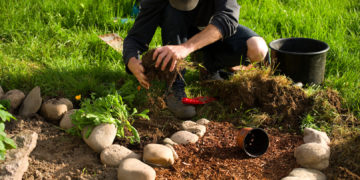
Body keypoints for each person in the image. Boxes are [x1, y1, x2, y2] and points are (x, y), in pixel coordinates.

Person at [123, 0, 268, 119]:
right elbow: (136, 37)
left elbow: (228, 18)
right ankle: (175, 85)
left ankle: (209, 66)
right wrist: (132, 62)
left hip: (209, 35)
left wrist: (187, 48)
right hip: (177, 34)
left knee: (258, 49)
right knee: (172, 14)